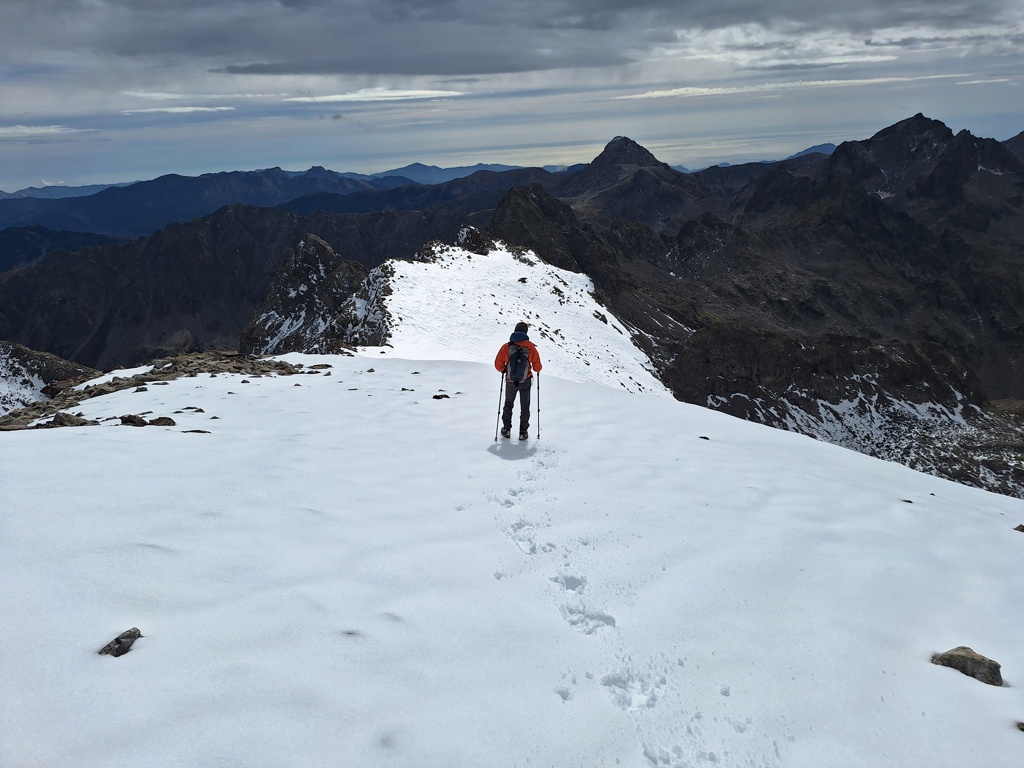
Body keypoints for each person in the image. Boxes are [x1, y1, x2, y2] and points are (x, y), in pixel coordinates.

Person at [495, 321, 543, 440]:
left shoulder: (507, 346)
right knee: (525, 406)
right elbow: (538, 367)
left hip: (510, 381)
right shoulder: (530, 347)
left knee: (508, 404)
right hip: (525, 381)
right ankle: (523, 432)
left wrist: (504, 370)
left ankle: (506, 429)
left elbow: (498, 365)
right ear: (526, 332)